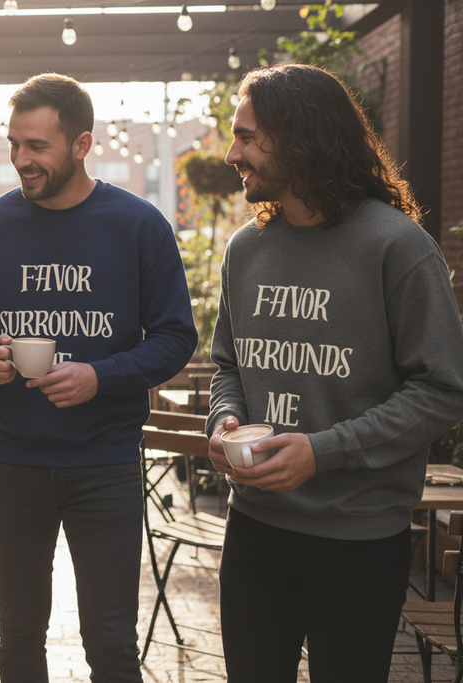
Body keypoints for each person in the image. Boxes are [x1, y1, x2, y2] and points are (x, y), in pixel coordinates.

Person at [206, 63, 463, 682]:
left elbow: (442, 390)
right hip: (254, 530)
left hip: (358, 542)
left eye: (246, 137)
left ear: (301, 139)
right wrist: (226, 419)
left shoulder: (398, 247)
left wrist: (323, 452)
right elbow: (229, 365)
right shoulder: (246, 248)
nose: (232, 154)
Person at [0, 73, 198, 682]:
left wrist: (100, 377)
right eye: (14, 144)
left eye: (37, 146)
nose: (21, 159)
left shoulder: (139, 225)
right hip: (10, 461)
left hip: (105, 461)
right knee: (18, 633)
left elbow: (175, 338)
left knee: (110, 642)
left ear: (82, 145)